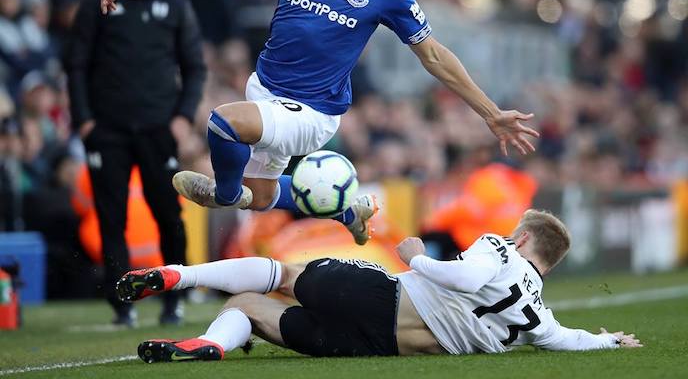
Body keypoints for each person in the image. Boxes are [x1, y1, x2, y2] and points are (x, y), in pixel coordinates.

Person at [100, 0, 539, 246]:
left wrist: (491, 113)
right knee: (264, 196)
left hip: (312, 111)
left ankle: (223, 193)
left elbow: (434, 55)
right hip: (265, 89)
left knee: (223, 124)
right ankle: (347, 208)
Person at [116, 209, 641, 362]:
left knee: (283, 274)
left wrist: (421, 259)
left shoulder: (499, 249)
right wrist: (608, 339)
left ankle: (178, 276)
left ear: (523, 237)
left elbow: (469, 274)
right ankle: (211, 343)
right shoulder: (537, 318)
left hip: (385, 297)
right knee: (251, 309)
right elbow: (564, 338)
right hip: (377, 348)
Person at [65, 0, 206, 326]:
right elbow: (75, 65)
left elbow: (194, 67)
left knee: (168, 214)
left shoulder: (176, 3)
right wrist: (85, 121)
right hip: (107, 129)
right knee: (112, 218)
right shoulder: (96, 2)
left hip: (160, 128)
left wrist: (182, 118)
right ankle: (122, 304)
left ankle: (174, 297)